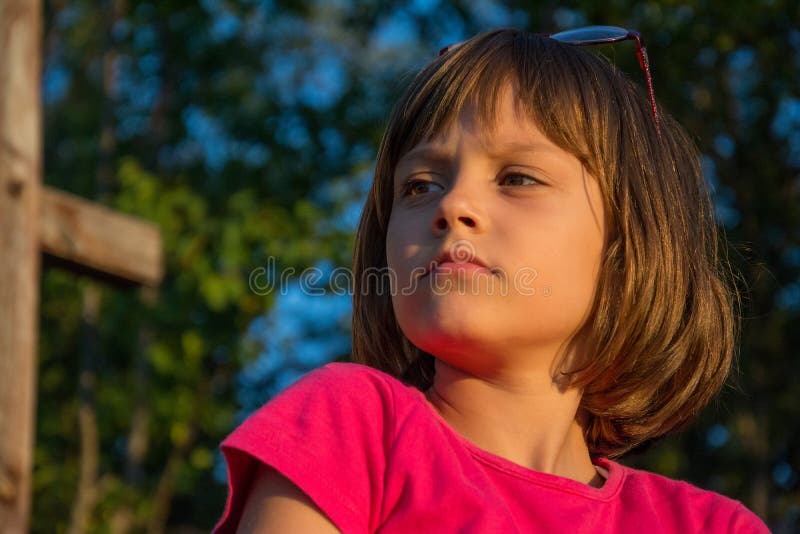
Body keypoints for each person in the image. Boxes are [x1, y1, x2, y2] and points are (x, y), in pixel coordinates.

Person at [213, 28, 770, 533]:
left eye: (517, 177)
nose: (452, 205)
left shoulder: (713, 527)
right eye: (419, 185)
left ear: (628, 251)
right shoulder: (349, 430)